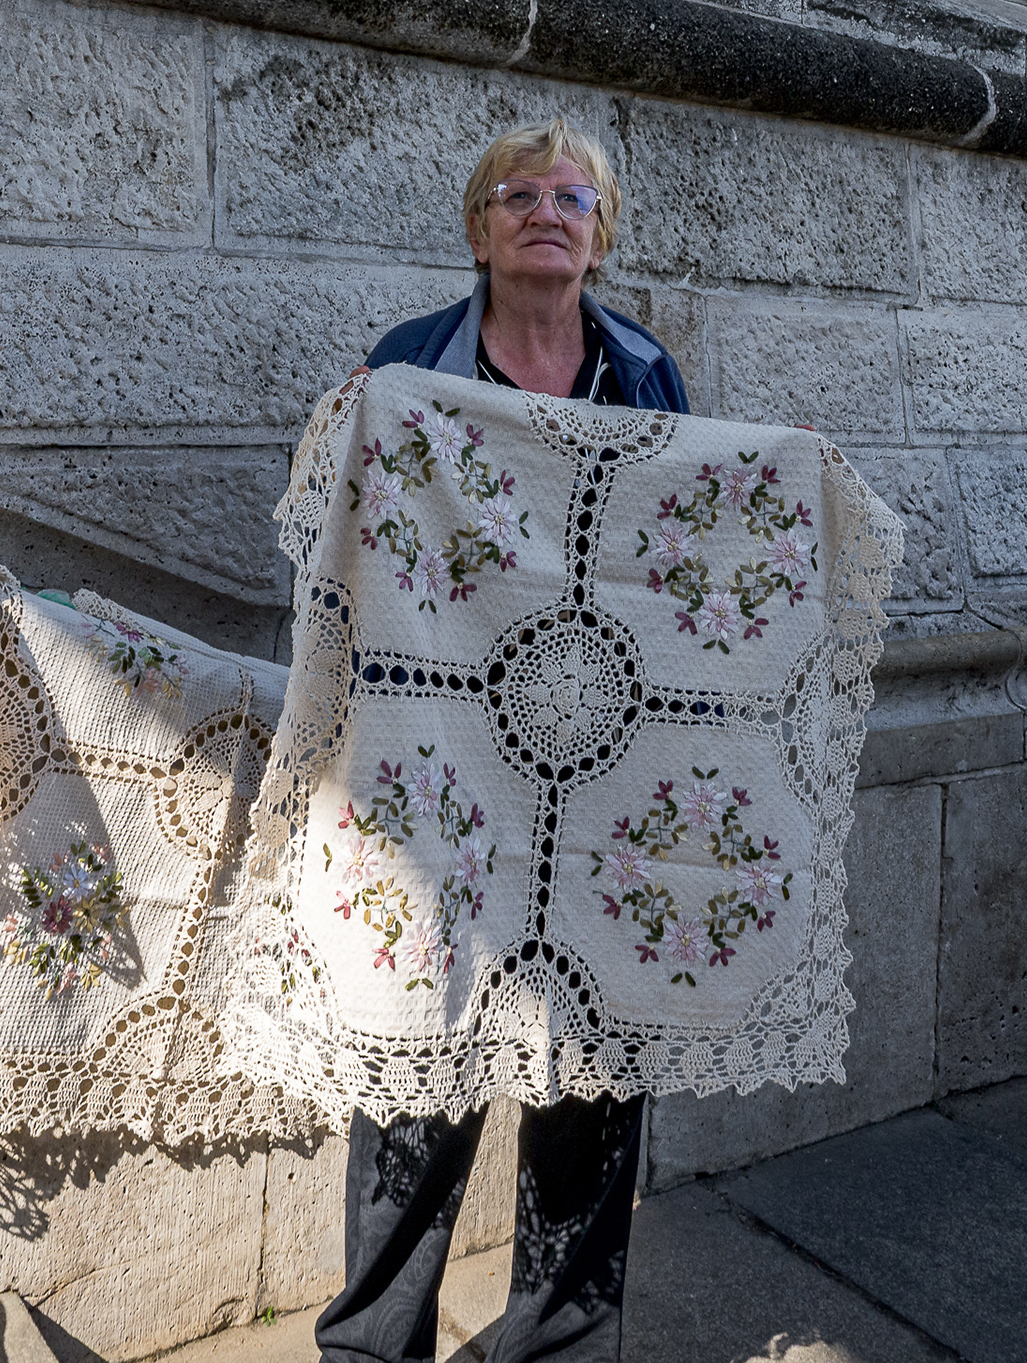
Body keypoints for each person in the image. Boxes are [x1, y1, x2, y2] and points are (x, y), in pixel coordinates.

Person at [314, 117, 688, 1363]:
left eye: (571, 197)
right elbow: (344, 542)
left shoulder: (645, 373)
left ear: (601, 231)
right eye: (516, 195)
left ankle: (560, 1343)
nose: (545, 212)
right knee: (418, 1058)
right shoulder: (405, 366)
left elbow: (680, 555)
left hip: (591, 763)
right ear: (478, 230)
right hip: (439, 764)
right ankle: (375, 1345)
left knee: (588, 1061)